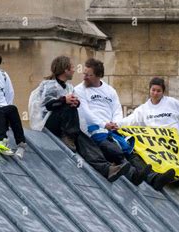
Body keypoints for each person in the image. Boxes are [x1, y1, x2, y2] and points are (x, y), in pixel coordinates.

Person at [31, 55, 130, 183]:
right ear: (65, 70)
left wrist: (75, 103)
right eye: (72, 68)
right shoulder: (49, 85)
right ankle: (69, 137)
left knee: (87, 143)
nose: (74, 70)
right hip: (49, 125)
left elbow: (77, 107)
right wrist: (64, 100)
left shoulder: (69, 87)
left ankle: (106, 168)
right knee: (68, 107)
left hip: (67, 127)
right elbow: (47, 105)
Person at [73, 58, 150, 185]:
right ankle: (132, 175)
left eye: (88, 74)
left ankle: (152, 177)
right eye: (84, 73)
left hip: (111, 130)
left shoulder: (110, 91)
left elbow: (117, 109)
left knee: (130, 151)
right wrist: (104, 124)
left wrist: (116, 123)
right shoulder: (79, 90)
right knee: (112, 149)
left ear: (98, 76)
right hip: (94, 130)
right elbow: (86, 112)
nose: (85, 77)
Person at [119, 77, 179, 191]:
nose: (155, 93)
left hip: (172, 142)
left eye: (158, 91)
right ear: (149, 90)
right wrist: (116, 124)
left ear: (163, 92)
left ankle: (177, 179)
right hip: (153, 143)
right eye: (153, 90)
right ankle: (162, 177)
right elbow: (131, 120)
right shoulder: (143, 109)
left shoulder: (173, 103)